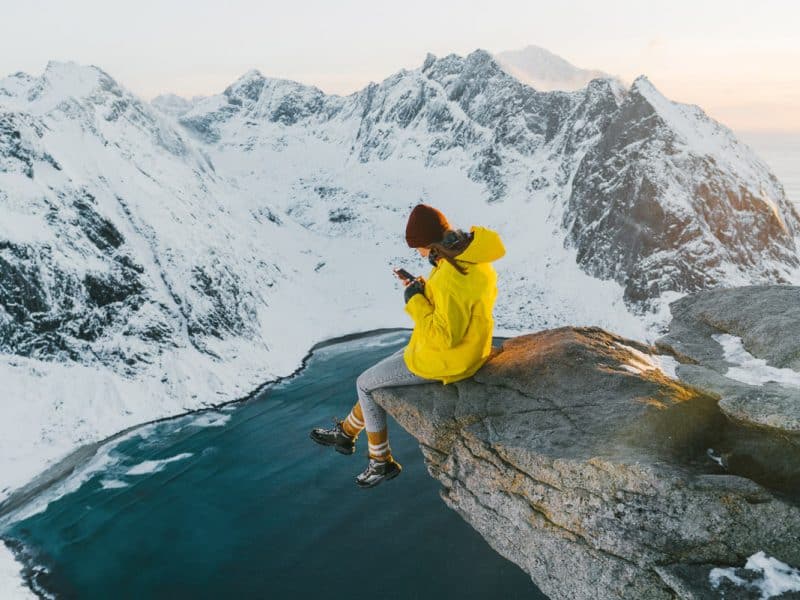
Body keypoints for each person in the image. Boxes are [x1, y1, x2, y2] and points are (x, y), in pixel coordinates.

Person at [309, 203, 506, 488]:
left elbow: (444, 335)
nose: (420, 254)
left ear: (431, 244)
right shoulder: (470, 259)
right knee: (379, 375)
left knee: (366, 383)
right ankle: (346, 434)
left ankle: (380, 462)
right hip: (468, 348)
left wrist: (413, 300)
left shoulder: (452, 276)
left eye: (419, 249)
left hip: (449, 357)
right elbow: (458, 306)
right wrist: (422, 287)